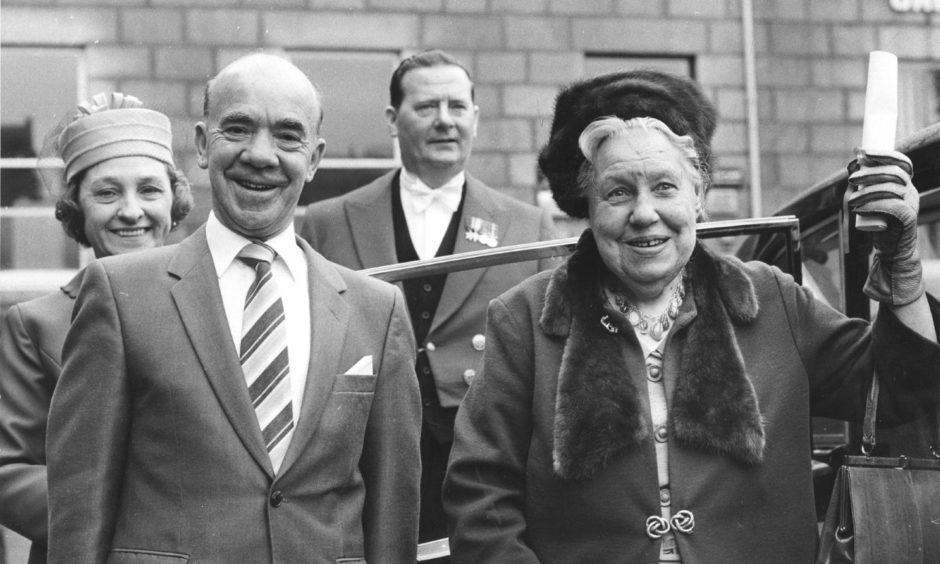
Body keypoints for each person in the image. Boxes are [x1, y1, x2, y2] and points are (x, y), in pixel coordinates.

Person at [442, 70, 940, 563]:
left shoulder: (772, 300)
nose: (644, 213)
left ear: (698, 198)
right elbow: (480, 496)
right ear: (588, 208)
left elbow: (902, 392)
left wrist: (901, 264)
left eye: (664, 187)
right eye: (617, 192)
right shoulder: (525, 319)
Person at [45, 53, 421, 564]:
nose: (261, 155)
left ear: (314, 158)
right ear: (202, 144)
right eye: (238, 128)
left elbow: (392, 514)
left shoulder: (376, 312)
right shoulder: (118, 294)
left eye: (288, 135)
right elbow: (80, 506)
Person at [301, 49, 556, 549]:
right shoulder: (329, 221)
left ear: (476, 119)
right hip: (363, 457)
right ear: (394, 121)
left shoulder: (528, 228)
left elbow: (548, 366)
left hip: (479, 459)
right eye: (426, 108)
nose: (445, 121)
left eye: (457, 107)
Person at [0, 92, 193, 564]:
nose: (131, 211)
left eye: (149, 190)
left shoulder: (220, 303)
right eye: (107, 193)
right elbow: (7, 470)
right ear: (76, 209)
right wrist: (131, 515)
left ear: (175, 200)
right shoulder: (35, 324)